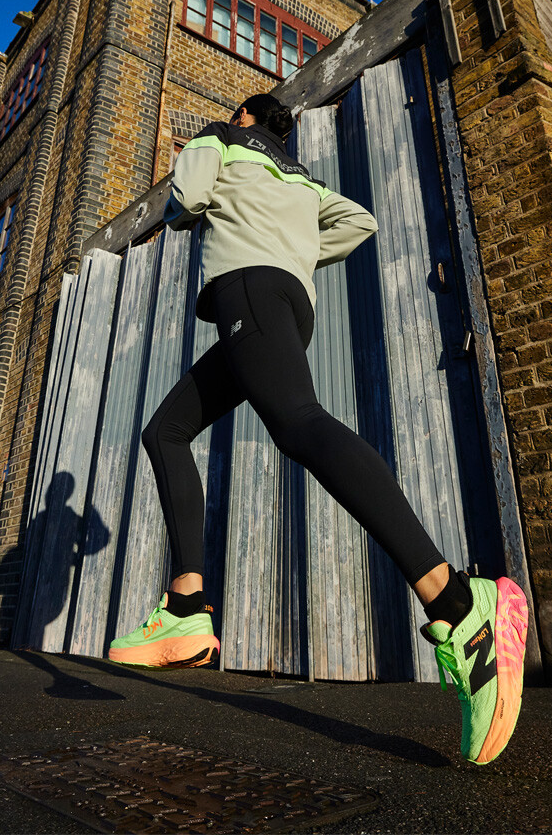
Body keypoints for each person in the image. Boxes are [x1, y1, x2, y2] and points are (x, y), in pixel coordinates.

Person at [107, 94, 528, 765]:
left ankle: (455, 600)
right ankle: (186, 604)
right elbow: (359, 222)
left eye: (237, 116)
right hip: (287, 306)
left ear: (245, 116)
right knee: (167, 431)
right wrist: (298, 248)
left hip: (246, 289)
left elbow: (184, 197)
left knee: (299, 425)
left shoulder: (220, 135)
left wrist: (189, 209)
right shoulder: (301, 177)